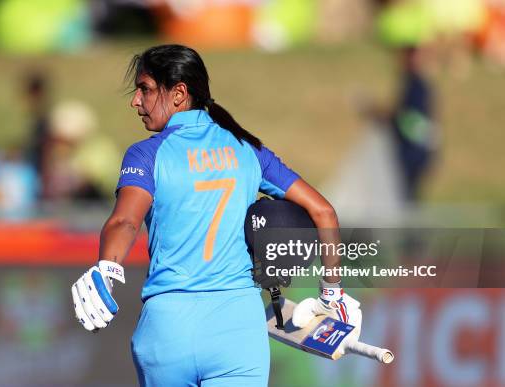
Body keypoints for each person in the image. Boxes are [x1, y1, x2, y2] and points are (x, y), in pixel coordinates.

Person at [71, 44, 358, 386]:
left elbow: (125, 221)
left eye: (145, 89)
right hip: (238, 332)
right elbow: (323, 212)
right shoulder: (247, 149)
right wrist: (332, 293)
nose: (136, 101)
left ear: (179, 94)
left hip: (167, 330)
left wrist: (106, 267)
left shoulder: (147, 153)